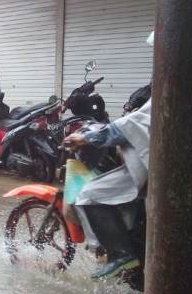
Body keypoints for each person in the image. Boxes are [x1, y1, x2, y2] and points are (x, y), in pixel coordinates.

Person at [63, 99, 151, 280]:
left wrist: (85, 137)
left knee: (88, 194)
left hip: (146, 166)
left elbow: (130, 124)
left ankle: (120, 253)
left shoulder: (161, 96)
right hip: (151, 165)